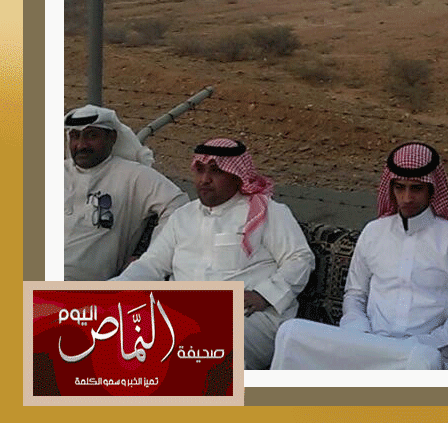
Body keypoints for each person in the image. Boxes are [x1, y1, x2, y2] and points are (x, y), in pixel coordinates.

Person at [271, 141, 448, 370]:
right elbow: (355, 295)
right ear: (391, 188)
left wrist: (423, 342)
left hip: (419, 351)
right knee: (290, 333)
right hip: (368, 343)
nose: (407, 197)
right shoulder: (373, 232)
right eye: (400, 188)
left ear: (432, 190)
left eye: (416, 188)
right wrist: (360, 333)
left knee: (422, 360)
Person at [112, 138, 315, 370]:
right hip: (184, 317)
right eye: (200, 170)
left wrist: (265, 295)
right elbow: (151, 265)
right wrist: (111, 292)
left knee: (199, 346)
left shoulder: (266, 212)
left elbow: (300, 258)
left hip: (248, 319)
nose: (204, 179)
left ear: (236, 176)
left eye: (216, 171)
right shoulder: (183, 216)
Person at [64, 104, 189, 281]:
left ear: (112, 138)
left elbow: (178, 205)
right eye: (75, 136)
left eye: (92, 136)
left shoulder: (133, 175)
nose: (81, 145)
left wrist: (148, 256)